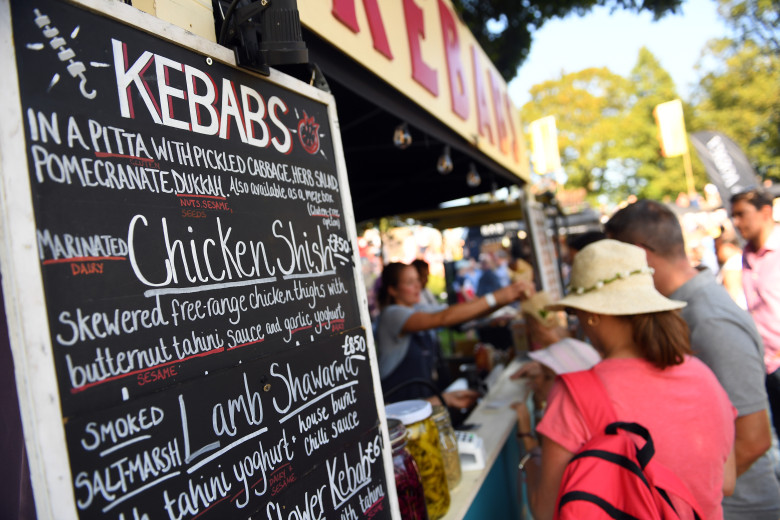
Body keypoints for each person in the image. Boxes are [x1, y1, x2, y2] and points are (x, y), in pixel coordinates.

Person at [520, 239, 736, 520]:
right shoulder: (704, 377)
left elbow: (546, 511)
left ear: (593, 315)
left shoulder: (574, 394)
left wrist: (530, 451)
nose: (577, 321)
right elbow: (726, 482)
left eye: (575, 312)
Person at [605, 199, 780, 519]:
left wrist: (686, 502)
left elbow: (754, 439)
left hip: (737, 509)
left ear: (640, 255)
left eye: (615, 261)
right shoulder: (683, 309)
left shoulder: (709, 320)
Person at [375, 261, 532, 408]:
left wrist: (503, 302)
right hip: (397, 405)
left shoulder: (418, 309)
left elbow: (461, 314)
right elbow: (444, 318)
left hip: (421, 402)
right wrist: (498, 297)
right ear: (392, 290)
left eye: (417, 280)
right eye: (410, 282)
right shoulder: (392, 315)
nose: (418, 286)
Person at [731, 189, 780, 440]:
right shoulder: (747, 255)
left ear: (766, 212)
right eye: (734, 216)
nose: (736, 222)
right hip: (766, 364)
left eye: (742, 214)